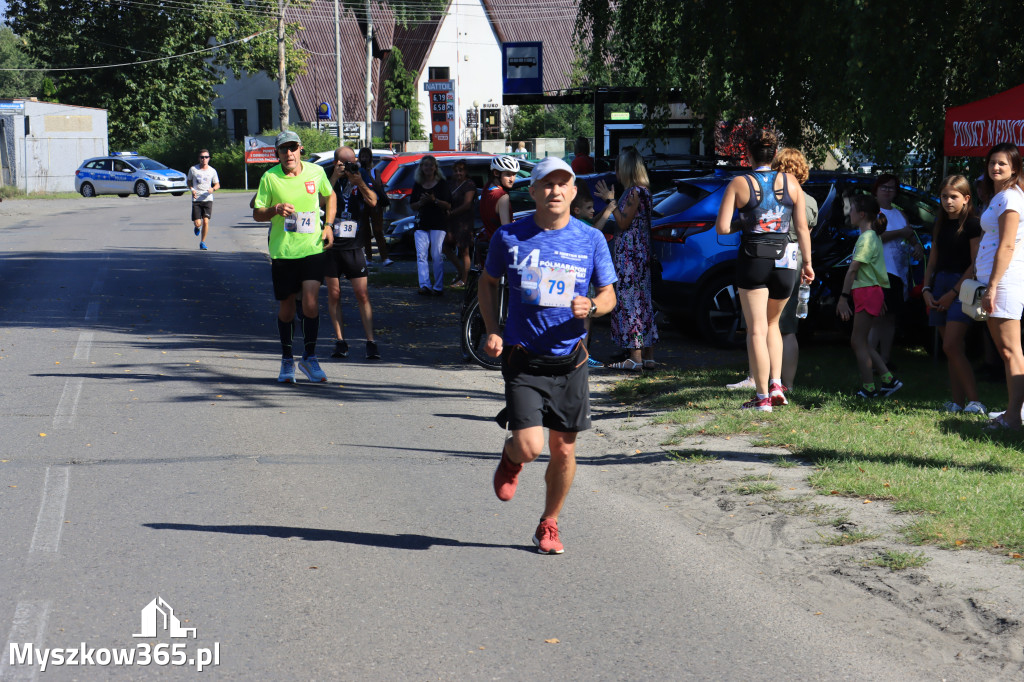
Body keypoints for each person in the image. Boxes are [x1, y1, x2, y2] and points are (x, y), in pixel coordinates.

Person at [480, 157, 617, 554]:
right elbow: (488, 283)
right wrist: (492, 329)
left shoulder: (590, 239)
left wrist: (591, 306)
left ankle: (549, 523)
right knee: (529, 446)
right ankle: (511, 458)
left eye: (563, 184)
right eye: (547, 184)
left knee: (564, 448)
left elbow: (609, 295)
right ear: (534, 191)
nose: (555, 191)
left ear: (574, 192)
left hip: (569, 360)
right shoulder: (510, 237)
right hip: (524, 358)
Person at [714, 129, 813, 411]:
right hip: (785, 260)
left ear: (747, 154)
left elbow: (722, 228)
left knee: (756, 329)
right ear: (775, 153)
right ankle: (777, 384)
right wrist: (807, 263)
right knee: (774, 326)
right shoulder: (791, 182)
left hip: (753, 258)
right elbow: (802, 228)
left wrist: (746, 223)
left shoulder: (739, 182)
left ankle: (761, 398)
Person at [252, 130, 336, 383]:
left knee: (310, 303)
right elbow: (258, 213)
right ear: (277, 153)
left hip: (311, 248)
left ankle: (309, 358)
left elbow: (329, 195)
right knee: (287, 308)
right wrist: (275, 210)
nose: (288, 154)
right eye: (282, 149)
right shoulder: (269, 178)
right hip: (284, 251)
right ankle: (287, 359)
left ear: (300, 149)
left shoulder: (316, 172)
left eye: (292, 148)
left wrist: (328, 225)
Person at [921, 175, 984, 414]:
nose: (948, 201)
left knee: (952, 344)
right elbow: (933, 260)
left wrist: (954, 291)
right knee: (950, 348)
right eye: (945, 196)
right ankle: (958, 402)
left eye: (954, 196)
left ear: (966, 198)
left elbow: (975, 262)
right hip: (939, 285)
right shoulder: (940, 223)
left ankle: (975, 401)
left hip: (963, 286)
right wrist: (926, 288)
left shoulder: (972, 224)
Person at [595, 147, 658, 370]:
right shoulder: (644, 191)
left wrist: (611, 203)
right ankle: (647, 356)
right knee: (643, 303)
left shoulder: (633, 192)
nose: (616, 172)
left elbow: (623, 223)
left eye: (618, 168)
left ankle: (635, 358)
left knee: (630, 303)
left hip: (631, 256)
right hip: (640, 253)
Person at [976, 143, 1024, 429]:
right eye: (992, 163)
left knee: (1010, 351)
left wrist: (992, 286)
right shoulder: (1002, 196)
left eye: (1002, 164)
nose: (996, 168)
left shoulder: (1011, 199)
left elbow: (1007, 245)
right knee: (1006, 350)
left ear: (1014, 169)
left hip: (1005, 281)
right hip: (994, 280)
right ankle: (1013, 412)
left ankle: (1013, 417)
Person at [836, 195, 903, 398]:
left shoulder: (866, 238)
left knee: (858, 341)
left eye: (853, 209)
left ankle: (869, 387)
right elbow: (876, 269)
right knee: (861, 341)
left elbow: (853, 270)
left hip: (866, 292)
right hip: (869, 291)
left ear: (862, 214)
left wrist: (842, 298)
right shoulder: (871, 236)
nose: (850, 213)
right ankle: (888, 380)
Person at [325, 146, 381, 361]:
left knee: (362, 294)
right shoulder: (328, 176)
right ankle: (340, 341)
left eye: (352, 162)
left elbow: (373, 201)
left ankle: (370, 342)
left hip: (354, 245)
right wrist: (333, 177)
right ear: (336, 163)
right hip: (331, 244)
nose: (349, 166)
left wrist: (358, 181)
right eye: (344, 163)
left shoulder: (360, 174)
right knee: (334, 294)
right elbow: (319, 201)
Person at [869, 174, 925, 367]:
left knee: (891, 317)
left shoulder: (900, 214)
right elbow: (875, 237)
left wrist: (917, 246)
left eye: (891, 188)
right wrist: (901, 233)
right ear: (875, 190)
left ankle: (884, 358)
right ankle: (869, 360)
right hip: (879, 270)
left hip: (898, 272)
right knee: (878, 317)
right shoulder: (871, 212)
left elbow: (911, 235)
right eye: (883, 187)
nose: (887, 191)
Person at [571, 178, 616, 369]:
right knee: (586, 319)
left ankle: (581, 352)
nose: (593, 211)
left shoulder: (578, 221)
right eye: (589, 207)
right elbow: (595, 232)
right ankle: (584, 354)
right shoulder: (582, 226)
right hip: (584, 277)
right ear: (577, 210)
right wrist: (607, 211)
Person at [408, 155, 451, 295]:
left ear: (435, 168)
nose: (428, 168)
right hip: (422, 223)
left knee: (436, 254)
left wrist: (434, 200)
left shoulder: (442, 183)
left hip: (438, 223)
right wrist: (421, 203)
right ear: (421, 168)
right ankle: (425, 285)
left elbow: (448, 205)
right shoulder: (418, 184)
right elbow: (412, 205)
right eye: (425, 165)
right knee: (421, 255)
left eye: (431, 165)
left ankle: (438, 286)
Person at [477, 155, 519, 266]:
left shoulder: (487, 188)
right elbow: (506, 229)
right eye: (508, 174)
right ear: (496, 173)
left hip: (488, 240)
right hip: (500, 246)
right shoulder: (502, 196)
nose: (512, 179)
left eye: (514, 174)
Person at [358, 148, 392, 266]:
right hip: (363, 202)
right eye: (362, 157)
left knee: (378, 230)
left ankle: (384, 257)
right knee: (365, 230)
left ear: (370, 158)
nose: (365, 159)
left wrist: (368, 174)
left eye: (367, 157)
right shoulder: (358, 171)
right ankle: (369, 257)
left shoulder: (375, 171)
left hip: (375, 203)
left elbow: (377, 186)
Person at [445, 160, 477, 288]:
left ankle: (464, 279)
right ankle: (461, 271)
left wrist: (451, 212)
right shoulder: (452, 184)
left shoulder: (469, 184)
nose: (458, 173)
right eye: (456, 170)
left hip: (464, 221)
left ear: (466, 172)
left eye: (461, 170)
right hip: (452, 221)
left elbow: (467, 204)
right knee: (446, 246)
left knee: (464, 250)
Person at [187, 149, 220, 251]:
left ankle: (203, 242)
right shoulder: (193, 169)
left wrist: (213, 189)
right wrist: (192, 189)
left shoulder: (212, 171)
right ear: (199, 158)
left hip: (208, 199)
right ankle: (197, 227)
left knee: (206, 221)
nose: (204, 159)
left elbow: (217, 184)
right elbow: (188, 181)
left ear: (209, 158)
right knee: (198, 223)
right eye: (202, 157)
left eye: (206, 157)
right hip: (196, 199)